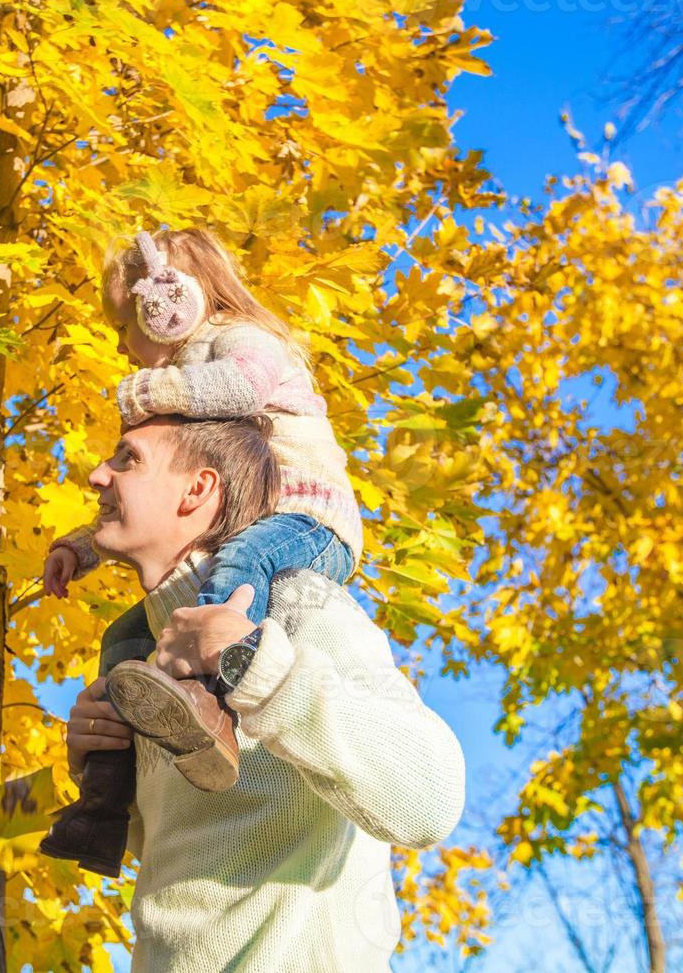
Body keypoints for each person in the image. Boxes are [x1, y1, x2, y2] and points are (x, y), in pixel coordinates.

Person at [50, 414, 466, 971]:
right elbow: (184, 854)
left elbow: (429, 800)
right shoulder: (143, 660)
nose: (98, 476)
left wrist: (251, 664)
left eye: (128, 459)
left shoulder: (295, 606)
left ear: (197, 489)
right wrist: (93, 767)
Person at [43, 226, 363, 795]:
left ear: (166, 306)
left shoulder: (242, 338)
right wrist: (82, 545)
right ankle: (105, 795)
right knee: (124, 639)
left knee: (241, 562)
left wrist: (151, 392)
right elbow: (151, 489)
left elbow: (243, 386)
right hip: (249, 516)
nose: (120, 347)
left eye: (123, 327)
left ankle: (210, 702)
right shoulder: (193, 383)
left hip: (305, 520)